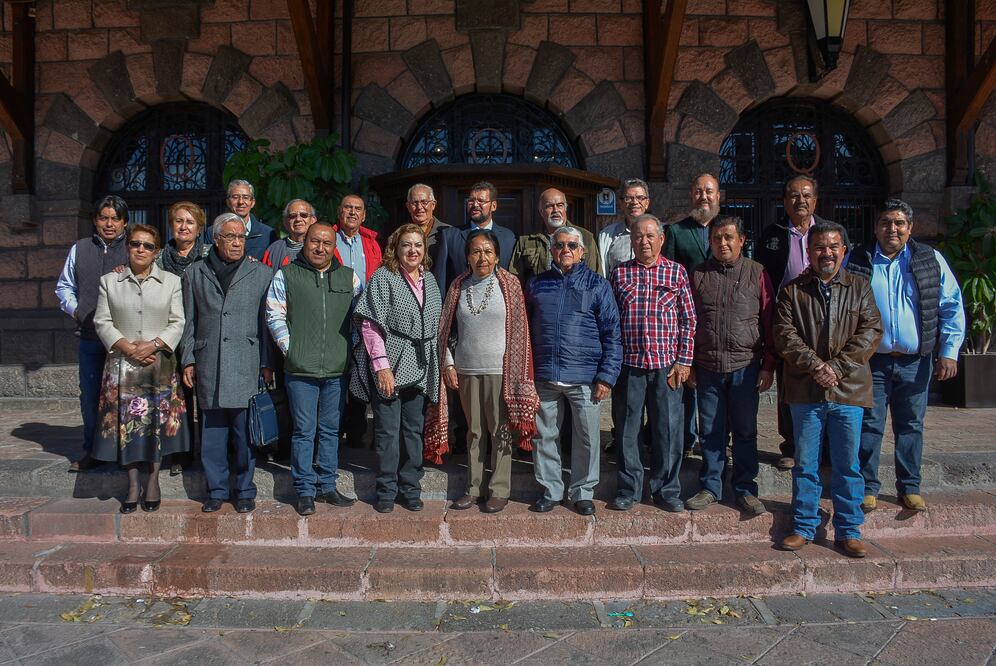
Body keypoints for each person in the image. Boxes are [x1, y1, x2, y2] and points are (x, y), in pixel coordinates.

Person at [846, 199, 966, 513]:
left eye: (899, 223)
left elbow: (951, 307)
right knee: (869, 424)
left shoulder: (929, 259)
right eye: (886, 222)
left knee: (911, 424)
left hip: (916, 360)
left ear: (910, 228)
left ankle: (909, 487)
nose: (892, 229)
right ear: (876, 227)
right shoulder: (858, 259)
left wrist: (949, 352)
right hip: (872, 360)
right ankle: (867, 487)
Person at [773, 221, 882, 558]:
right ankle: (804, 526)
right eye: (819, 247)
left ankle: (849, 529)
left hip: (848, 390)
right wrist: (815, 366)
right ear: (809, 252)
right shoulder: (793, 291)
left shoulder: (860, 287)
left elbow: (871, 331)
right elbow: (783, 335)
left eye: (833, 246)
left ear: (843, 251)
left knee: (847, 464)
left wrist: (835, 368)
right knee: (805, 463)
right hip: (806, 391)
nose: (827, 253)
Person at [424, 229, 540, 514]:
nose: (482, 257)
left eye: (488, 251)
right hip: (466, 370)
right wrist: (449, 363)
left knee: (500, 430)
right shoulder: (457, 287)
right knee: (474, 432)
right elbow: (446, 331)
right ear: (467, 257)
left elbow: (521, 331)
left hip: (500, 371)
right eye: (476, 251)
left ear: (497, 255)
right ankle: (473, 489)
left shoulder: (509, 285)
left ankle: (499, 490)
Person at [180, 213, 275, 514]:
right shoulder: (195, 273)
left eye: (241, 237)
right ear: (216, 239)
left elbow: (266, 324)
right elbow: (188, 321)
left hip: (246, 361)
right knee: (212, 433)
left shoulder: (260, 273)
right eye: (230, 237)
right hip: (209, 361)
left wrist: (266, 363)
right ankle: (217, 490)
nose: (237, 242)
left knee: (244, 432)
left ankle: (245, 489)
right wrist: (187, 359)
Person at [266, 221, 361, 516]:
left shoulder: (350, 278)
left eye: (326, 243)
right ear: (304, 242)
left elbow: (360, 318)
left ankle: (327, 485)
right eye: (314, 242)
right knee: (304, 431)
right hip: (300, 370)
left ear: (335, 247)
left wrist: (351, 348)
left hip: (336, 369)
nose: (320, 248)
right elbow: (274, 314)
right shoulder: (287, 275)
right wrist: (290, 350)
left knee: (331, 430)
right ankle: (305, 490)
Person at [525, 226, 621, 516]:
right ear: (551, 250)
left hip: (585, 377)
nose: (565, 250)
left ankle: (582, 491)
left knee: (588, 437)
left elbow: (612, 333)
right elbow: (524, 330)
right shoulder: (536, 285)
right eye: (559, 245)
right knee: (544, 436)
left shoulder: (597, 285)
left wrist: (607, 375)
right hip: (544, 374)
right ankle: (551, 489)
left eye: (571, 245)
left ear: (582, 252)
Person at [92, 224, 188, 513]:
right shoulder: (110, 281)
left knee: (156, 424)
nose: (141, 250)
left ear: (156, 251)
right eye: (135, 244)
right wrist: (128, 347)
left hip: (158, 365)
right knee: (127, 426)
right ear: (127, 247)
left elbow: (178, 321)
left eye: (148, 245)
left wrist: (154, 344)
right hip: (122, 364)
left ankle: (154, 480)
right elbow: (102, 321)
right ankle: (133, 483)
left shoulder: (171, 281)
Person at [685, 216, 776, 516]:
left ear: (742, 240)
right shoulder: (698, 274)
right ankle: (711, 486)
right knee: (710, 430)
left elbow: (768, 320)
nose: (722, 244)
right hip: (708, 365)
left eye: (728, 238)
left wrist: (768, 365)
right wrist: (690, 363)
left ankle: (745, 488)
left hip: (745, 365)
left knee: (745, 430)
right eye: (716, 239)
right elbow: (688, 321)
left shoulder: (757, 273)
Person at [350, 224, 443, 513]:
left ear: (424, 250)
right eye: (406, 245)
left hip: (421, 364)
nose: (413, 250)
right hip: (390, 364)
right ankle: (387, 490)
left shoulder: (430, 280)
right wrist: (381, 367)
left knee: (413, 431)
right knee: (388, 432)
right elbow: (369, 323)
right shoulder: (384, 277)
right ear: (396, 248)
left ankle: (411, 488)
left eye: (418, 245)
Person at [609, 214, 696, 513]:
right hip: (629, 366)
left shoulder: (677, 273)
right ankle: (628, 489)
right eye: (638, 236)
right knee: (626, 430)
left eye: (650, 236)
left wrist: (684, 361)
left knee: (668, 431)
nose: (644, 241)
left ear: (661, 239)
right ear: (631, 241)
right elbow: (610, 322)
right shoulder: (620, 275)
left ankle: (666, 489)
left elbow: (688, 320)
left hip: (667, 367)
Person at [756, 175, 828, 470]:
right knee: (789, 385)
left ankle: (823, 448)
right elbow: (762, 276)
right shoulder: (772, 234)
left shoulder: (828, 232)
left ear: (815, 201)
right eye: (794, 196)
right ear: (785, 202)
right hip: (786, 318)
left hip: (823, 318)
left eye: (806, 195)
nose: (800, 201)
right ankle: (791, 445)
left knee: (824, 381)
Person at [55, 195, 130, 472]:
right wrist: (79, 311)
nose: (109, 224)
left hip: (123, 339)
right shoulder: (80, 248)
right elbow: (64, 287)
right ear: (95, 220)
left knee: (123, 396)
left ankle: (125, 451)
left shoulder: (134, 248)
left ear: (124, 222)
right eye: (103, 218)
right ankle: (93, 450)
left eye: (115, 218)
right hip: (89, 336)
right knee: (90, 396)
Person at [663, 173, 723, 460]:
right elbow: (671, 276)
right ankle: (688, 438)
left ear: (718, 195)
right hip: (686, 317)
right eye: (699, 191)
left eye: (709, 191)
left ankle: (717, 438)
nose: (704, 197)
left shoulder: (726, 229)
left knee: (715, 383)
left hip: (720, 318)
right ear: (691, 195)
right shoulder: (676, 231)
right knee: (687, 378)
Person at [156, 201, 211, 476]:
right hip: (169, 337)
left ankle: (208, 452)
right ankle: (180, 453)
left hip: (203, 334)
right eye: (179, 221)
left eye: (190, 222)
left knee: (204, 396)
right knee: (176, 398)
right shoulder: (158, 258)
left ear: (199, 228)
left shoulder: (210, 255)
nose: (184, 226)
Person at [333, 194, 384, 450]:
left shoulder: (372, 244)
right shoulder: (328, 238)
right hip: (335, 318)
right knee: (337, 376)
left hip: (366, 319)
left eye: (358, 209)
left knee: (362, 374)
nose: (352, 212)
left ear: (364, 215)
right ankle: (335, 432)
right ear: (339, 212)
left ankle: (356, 435)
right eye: (348, 207)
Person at [432, 181, 517, 295]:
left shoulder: (509, 238)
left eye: (481, 201)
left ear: (494, 206)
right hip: (460, 308)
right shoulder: (449, 236)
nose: (475, 205)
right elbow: (440, 280)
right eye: (471, 200)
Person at [510, 188, 602, 283]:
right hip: (541, 294)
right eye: (549, 206)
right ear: (541, 211)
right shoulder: (526, 241)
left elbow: (597, 277)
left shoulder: (586, 237)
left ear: (565, 209)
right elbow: (515, 280)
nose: (555, 210)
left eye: (560, 205)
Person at [597, 178, 651, 278]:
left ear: (647, 203)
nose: (634, 202)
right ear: (621, 204)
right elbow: (602, 275)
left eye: (640, 198)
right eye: (628, 198)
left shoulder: (661, 232)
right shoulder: (606, 235)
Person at [405, 183, 451, 285]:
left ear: (433, 205)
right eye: (414, 203)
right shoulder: (399, 237)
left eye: (424, 202)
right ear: (408, 206)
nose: (419, 207)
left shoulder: (448, 233)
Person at [225, 179, 277, 260]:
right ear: (228, 202)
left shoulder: (268, 234)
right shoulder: (214, 231)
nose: (241, 202)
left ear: (252, 202)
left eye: (245, 197)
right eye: (235, 197)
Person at [262, 199, 317, 268]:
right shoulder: (274, 249)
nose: (298, 219)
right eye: (293, 216)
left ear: (313, 220)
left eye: (303, 215)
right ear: (285, 222)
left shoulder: (322, 247)